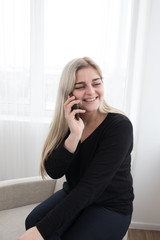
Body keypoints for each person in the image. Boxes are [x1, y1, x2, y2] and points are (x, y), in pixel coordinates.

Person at [18, 57, 134, 240]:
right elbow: (54, 171)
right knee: (32, 222)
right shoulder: (70, 121)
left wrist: (41, 231)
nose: (91, 91)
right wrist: (74, 136)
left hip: (110, 205)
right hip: (74, 193)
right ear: (68, 93)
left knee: (44, 231)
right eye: (80, 86)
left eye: (96, 83)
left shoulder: (120, 127)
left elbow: (91, 187)